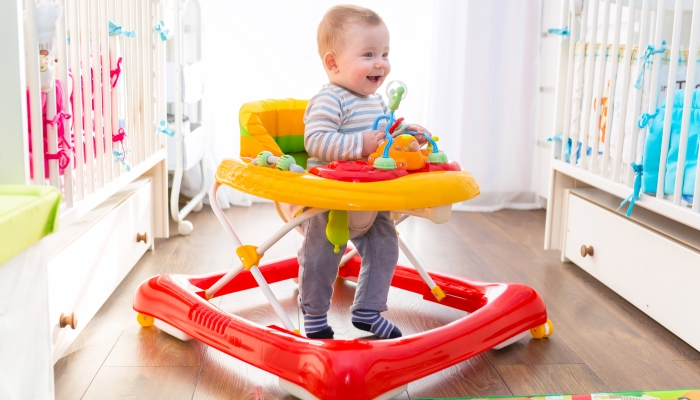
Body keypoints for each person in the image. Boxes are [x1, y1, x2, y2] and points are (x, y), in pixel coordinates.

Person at [298, 4, 431, 339]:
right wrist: (359, 144)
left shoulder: (378, 102)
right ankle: (313, 313)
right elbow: (315, 141)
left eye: (385, 53)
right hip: (330, 201)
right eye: (368, 54)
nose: (381, 63)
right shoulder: (330, 100)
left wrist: (405, 135)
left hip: (370, 197)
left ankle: (369, 311)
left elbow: (384, 136)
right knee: (321, 255)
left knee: (386, 248)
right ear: (333, 63)